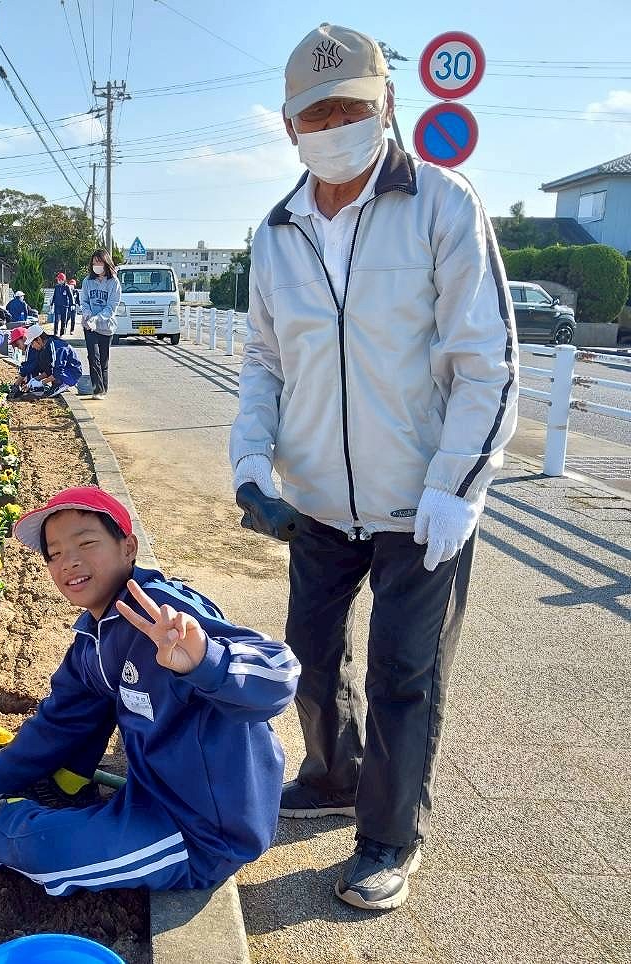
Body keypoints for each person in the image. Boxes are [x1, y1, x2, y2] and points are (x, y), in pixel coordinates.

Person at [230, 23, 518, 911]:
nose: (334, 127)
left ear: (386, 105)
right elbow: (264, 360)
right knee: (310, 657)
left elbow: (488, 362)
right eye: (316, 114)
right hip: (317, 501)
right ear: (289, 124)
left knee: (404, 675)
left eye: (350, 108)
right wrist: (251, 458)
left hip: (422, 502)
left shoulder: (441, 204)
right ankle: (332, 775)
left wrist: (455, 488)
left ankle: (390, 836)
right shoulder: (278, 231)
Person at [0, 487, 298, 895]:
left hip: (204, 831)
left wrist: (206, 661)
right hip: (150, 793)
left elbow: (280, 674)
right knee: (77, 720)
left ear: (128, 548)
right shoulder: (94, 638)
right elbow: (58, 721)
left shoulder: (163, 614)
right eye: (54, 553)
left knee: (45, 853)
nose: (69, 561)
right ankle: (63, 792)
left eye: (86, 543)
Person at [79, 249, 121, 399]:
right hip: (89, 326)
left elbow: (111, 307)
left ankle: (104, 389)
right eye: (94, 262)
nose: (96, 265)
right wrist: (87, 314)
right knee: (93, 356)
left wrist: (96, 319)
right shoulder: (87, 281)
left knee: (103, 359)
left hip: (106, 326)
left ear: (106, 263)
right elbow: (84, 301)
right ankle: (97, 389)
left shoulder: (114, 282)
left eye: (99, 262)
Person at [8, 322, 82, 400]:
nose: (32, 346)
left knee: (47, 395)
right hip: (62, 373)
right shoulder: (45, 347)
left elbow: (58, 371)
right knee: (41, 361)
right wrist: (35, 380)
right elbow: (49, 370)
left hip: (70, 375)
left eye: (32, 343)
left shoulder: (55, 347)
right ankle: (56, 384)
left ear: (39, 339)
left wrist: (42, 382)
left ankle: (62, 384)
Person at [51, 272, 75, 337]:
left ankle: (62, 333)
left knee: (63, 320)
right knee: (56, 320)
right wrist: (52, 304)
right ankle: (55, 333)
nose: (58, 281)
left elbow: (70, 296)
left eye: (59, 279)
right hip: (57, 305)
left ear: (63, 280)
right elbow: (54, 295)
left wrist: (72, 304)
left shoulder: (67, 287)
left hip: (64, 306)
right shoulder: (56, 287)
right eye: (58, 280)